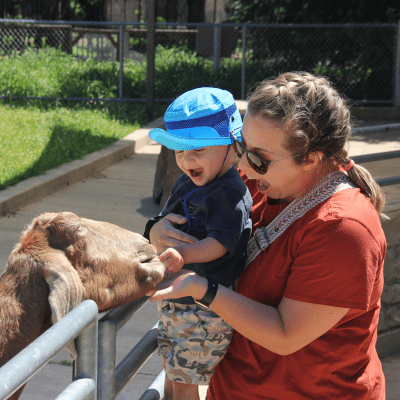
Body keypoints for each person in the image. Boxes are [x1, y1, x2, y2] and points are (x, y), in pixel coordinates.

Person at [146, 72, 387, 400]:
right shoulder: (260, 183)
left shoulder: (344, 230)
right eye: (242, 146)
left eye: (259, 157)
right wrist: (158, 230)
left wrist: (203, 289)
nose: (243, 164)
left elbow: (285, 334)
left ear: (311, 159)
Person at [146, 87, 252, 400]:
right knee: (172, 369)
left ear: (232, 144)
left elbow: (222, 242)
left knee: (184, 382)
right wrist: (156, 230)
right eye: (179, 151)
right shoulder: (188, 180)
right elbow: (165, 222)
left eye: (198, 149)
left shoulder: (228, 192)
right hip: (180, 300)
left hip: (204, 308)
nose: (187, 159)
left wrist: (184, 253)